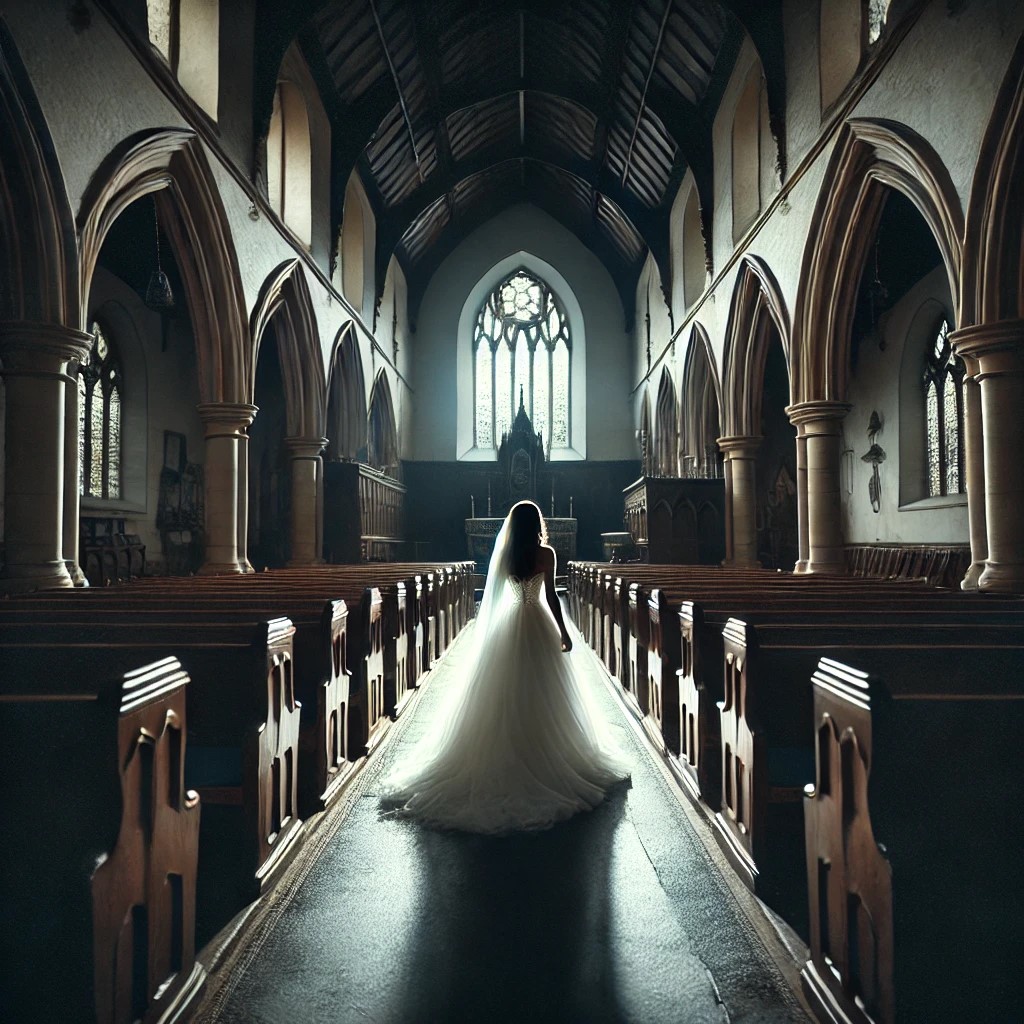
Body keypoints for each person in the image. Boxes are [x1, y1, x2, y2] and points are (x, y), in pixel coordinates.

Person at [380, 500, 629, 834]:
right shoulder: (547, 555)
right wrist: (564, 632)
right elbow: (552, 596)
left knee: (506, 690)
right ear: (537, 523)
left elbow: (495, 596)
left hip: (509, 622)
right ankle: (545, 757)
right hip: (538, 621)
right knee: (545, 692)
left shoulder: (508, 554)